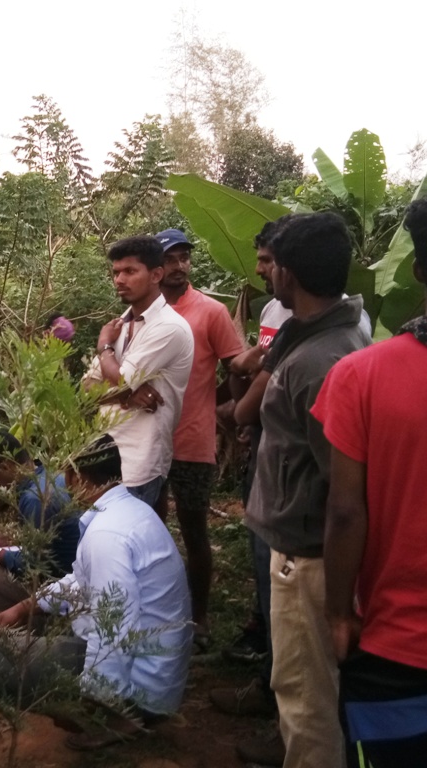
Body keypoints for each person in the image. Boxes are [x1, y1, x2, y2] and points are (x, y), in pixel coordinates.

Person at [314, 181, 427, 768]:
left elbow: (344, 512)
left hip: (399, 652)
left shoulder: (362, 377)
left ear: (417, 270)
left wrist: (339, 614)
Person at [243, 212, 370, 768]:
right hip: (304, 549)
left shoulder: (321, 362)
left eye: (273, 266)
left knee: (305, 700)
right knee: (314, 691)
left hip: (307, 557)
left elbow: (344, 489)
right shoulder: (330, 333)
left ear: (288, 274)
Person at [0, 436, 192, 749]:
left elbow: (114, 625)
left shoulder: (106, 534)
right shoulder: (130, 512)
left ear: (75, 477)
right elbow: (80, 581)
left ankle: (114, 718)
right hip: (151, 665)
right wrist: (24, 607)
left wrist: (97, 700)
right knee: (24, 633)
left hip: (140, 685)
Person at [153, 228, 245, 649]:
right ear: (156, 266)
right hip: (150, 444)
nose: (179, 266)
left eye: (184, 257)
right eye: (170, 259)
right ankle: (152, 611)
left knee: (193, 529)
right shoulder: (144, 313)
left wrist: (215, 402)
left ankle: (200, 618)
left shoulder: (210, 312)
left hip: (192, 442)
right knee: (150, 529)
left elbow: (236, 366)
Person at [82, 235, 193, 507]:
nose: (119, 280)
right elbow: (86, 388)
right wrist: (124, 396)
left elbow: (121, 377)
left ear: (156, 274)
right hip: (104, 459)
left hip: (139, 463)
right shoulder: (120, 323)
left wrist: (105, 347)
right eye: (116, 272)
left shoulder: (169, 327)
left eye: (130, 271)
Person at [0, 429, 79, 612]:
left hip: (59, 580)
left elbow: (36, 562)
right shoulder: (50, 477)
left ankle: (35, 618)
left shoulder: (34, 498)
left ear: (6, 466)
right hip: (71, 570)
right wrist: (12, 541)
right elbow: (50, 539)